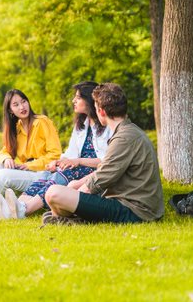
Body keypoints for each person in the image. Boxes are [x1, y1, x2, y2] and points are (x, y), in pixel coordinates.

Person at [42, 82, 164, 225]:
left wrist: (75, 195)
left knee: (53, 193)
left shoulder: (124, 138)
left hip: (135, 210)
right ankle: (70, 219)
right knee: (66, 190)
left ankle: (69, 219)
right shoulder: (128, 132)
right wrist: (75, 186)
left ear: (101, 112)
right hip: (128, 204)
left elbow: (102, 177)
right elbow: (105, 168)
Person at [0, 81, 112, 219]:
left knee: (59, 176)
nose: (74, 100)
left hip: (92, 170)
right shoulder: (81, 125)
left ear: (89, 100)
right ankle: (15, 207)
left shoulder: (106, 125)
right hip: (77, 166)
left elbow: (107, 161)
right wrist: (58, 162)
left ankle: (24, 210)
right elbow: (71, 153)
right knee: (46, 175)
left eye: (78, 98)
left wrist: (76, 161)